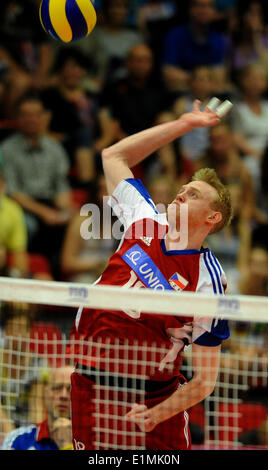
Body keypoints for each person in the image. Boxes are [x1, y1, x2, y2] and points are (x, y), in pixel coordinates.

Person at [69, 99, 233, 450]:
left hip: (152, 399)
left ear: (212, 218)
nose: (180, 193)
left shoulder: (208, 281)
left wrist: (157, 414)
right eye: (183, 188)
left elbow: (205, 380)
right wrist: (184, 124)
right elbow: (113, 156)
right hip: (89, 385)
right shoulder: (144, 219)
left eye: (193, 194)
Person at [0, 93, 75, 276]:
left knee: (74, 222)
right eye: (26, 114)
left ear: (44, 117)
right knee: (30, 224)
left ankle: (58, 278)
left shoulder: (55, 148)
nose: (31, 119)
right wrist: (45, 212)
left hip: (50, 203)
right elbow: (11, 191)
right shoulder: (7, 149)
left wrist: (66, 210)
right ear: (18, 117)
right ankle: (22, 271)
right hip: (21, 205)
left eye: (36, 114)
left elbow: (61, 187)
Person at [1, 366, 73, 450]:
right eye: (57, 388)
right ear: (45, 393)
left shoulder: (91, 442)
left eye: (71, 389)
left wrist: (67, 445)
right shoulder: (17, 441)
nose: (63, 396)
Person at [162, 0, 228, 91]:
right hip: (181, 94)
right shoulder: (175, 35)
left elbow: (220, 78)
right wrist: (201, 79)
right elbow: (169, 73)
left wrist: (191, 78)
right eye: (200, 6)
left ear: (214, 11)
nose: (204, 11)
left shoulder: (218, 38)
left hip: (209, 94)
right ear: (190, 9)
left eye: (209, 6)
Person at [0, 170, 28, 278]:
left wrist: (19, 276)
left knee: (44, 278)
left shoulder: (12, 209)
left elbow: (19, 252)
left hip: (2, 269)